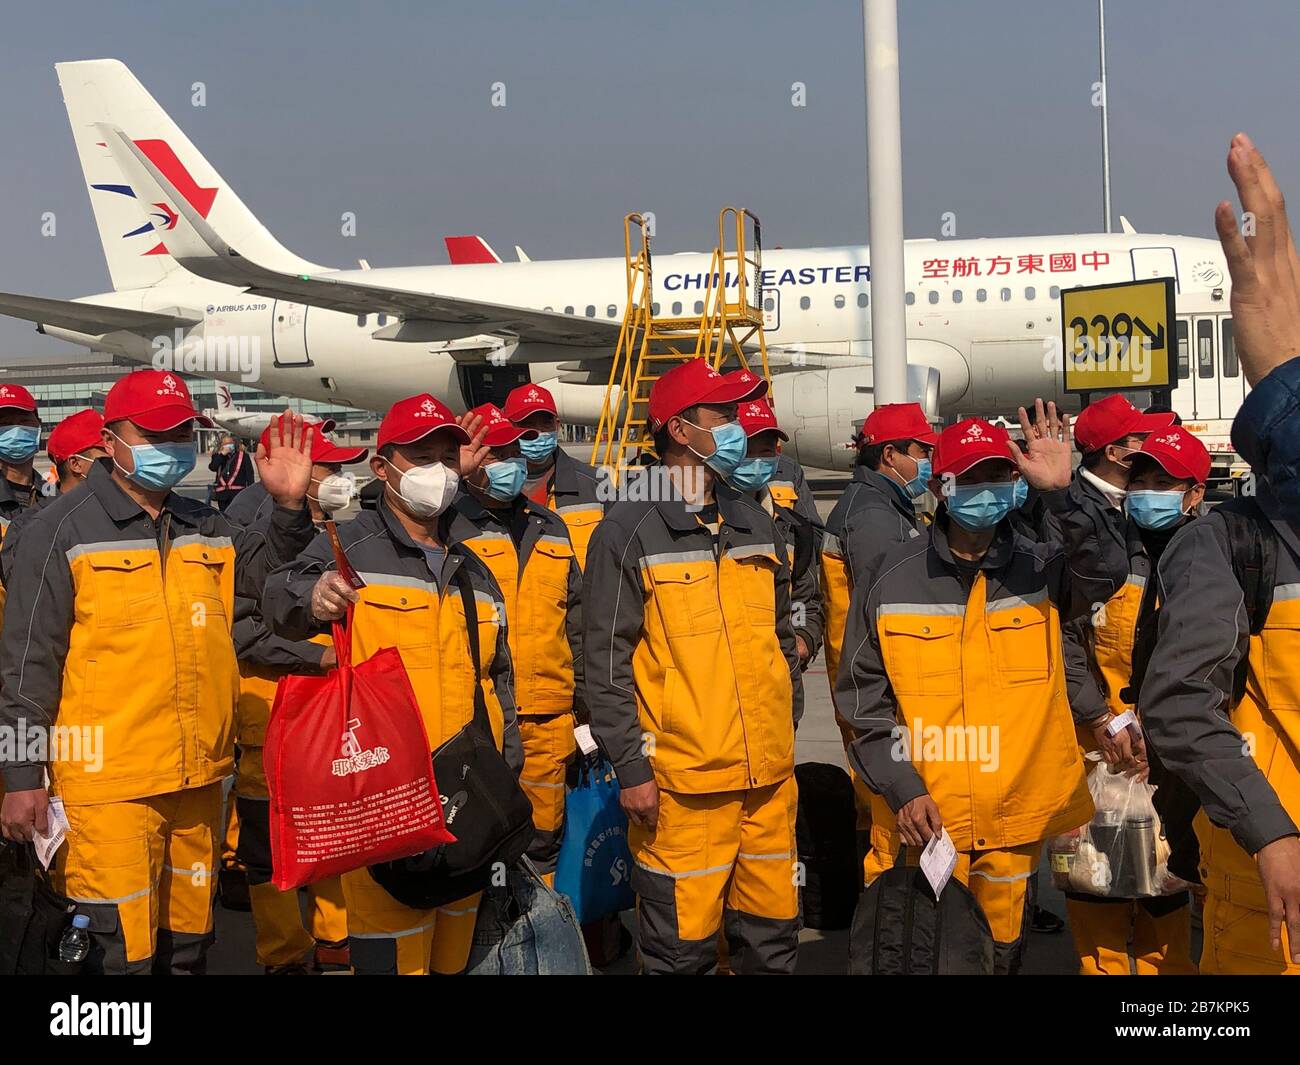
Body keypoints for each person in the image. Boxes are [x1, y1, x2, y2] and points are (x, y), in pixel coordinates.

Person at [0, 370, 317, 975]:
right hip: (106, 788)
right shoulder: (57, 530)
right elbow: (24, 666)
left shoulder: (204, 523)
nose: (171, 445)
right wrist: (20, 775)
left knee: (187, 949)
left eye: (180, 431)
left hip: (196, 782)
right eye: (154, 432)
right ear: (108, 440)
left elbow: (262, 577)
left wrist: (288, 506)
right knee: (112, 956)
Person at [263, 392, 520, 976]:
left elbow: (497, 676)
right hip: (386, 799)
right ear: (382, 469)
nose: (437, 471)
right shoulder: (347, 545)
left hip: (466, 797)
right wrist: (315, 594)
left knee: (457, 962)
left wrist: (509, 763)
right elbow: (276, 598)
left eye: (446, 458)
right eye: (420, 456)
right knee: (392, 960)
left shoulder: (472, 563)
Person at [836, 411, 1093, 975]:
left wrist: (1063, 496)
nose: (985, 492)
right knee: (914, 953)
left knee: (999, 957)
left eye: (998, 476)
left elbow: (1107, 571)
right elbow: (862, 702)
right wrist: (903, 788)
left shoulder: (1045, 569)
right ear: (939, 487)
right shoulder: (889, 576)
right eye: (970, 479)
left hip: (1014, 818)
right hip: (922, 818)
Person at [583, 358, 802, 975]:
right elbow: (605, 665)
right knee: (682, 954)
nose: (738, 425)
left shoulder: (755, 520)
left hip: (768, 785)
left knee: (773, 944)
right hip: (681, 794)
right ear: (680, 430)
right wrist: (631, 768)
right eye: (723, 415)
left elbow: (781, 637)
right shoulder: (626, 530)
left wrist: (783, 726)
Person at [1047, 421, 1210, 976]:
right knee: (1092, 883)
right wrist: (1099, 716)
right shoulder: (1101, 554)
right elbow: (1063, 637)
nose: (1147, 493)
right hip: (1096, 750)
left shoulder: (1215, 561)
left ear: (1194, 494)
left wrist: (1162, 733)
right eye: (1140, 480)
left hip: (1176, 754)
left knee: (1168, 883)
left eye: (1164, 483)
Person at [228, 422, 369, 973]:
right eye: (332, 469)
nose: (341, 479)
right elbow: (241, 626)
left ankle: (335, 940)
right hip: (270, 713)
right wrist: (319, 657)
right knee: (270, 849)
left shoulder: (335, 523)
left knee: (334, 829)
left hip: (329, 709)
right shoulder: (249, 527)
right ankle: (284, 953)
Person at [452, 403, 583, 881]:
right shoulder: (446, 528)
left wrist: (588, 709)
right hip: (477, 722)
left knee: (543, 840)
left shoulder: (551, 527)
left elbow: (578, 622)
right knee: (479, 843)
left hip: (549, 716)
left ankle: (538, 937)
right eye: (493, 453)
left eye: (512, 450)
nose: (507, 462)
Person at [820, 403, 937, 866]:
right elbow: (885, 606)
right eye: (920, 450)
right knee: (890, 822)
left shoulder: (883, 505)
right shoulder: (873, 517)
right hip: (879, 685)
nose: (927, 459)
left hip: (867, 678)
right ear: (890, 455)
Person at [733, 398, 824, 679]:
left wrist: (804, 639)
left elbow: (806, 596)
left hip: (780, 679)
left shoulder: (793, 527)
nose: (759, 461)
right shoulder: (708, 519)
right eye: (749, 451)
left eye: (767, 451)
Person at [503, 382, 608, 568]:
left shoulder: (596, 485)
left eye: (546, 424)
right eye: (527, 425)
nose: (538, 434)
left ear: (557, 425)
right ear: (507, 427)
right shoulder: (491, 486)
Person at [0, 408, 107, 587]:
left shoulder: (47, 494)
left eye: (24, 421)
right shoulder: (37, 524)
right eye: (5, 423)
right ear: (75, 464)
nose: (16, 430)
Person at [209, 433, 254, 512]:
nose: (228, 446)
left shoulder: (243, 456)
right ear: (222, 445)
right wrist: (222, 455)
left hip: (237, 493)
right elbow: (213, 467)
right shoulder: (218, 456)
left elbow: (250, 475)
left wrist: (250, 493)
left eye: (230, 444)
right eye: (226, 444)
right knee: (224, 516)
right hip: (222, 494)